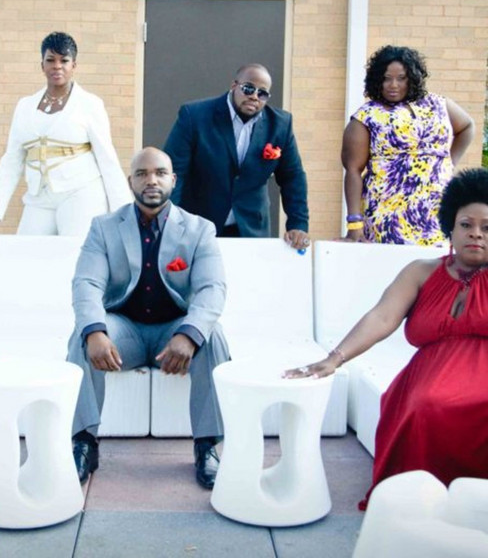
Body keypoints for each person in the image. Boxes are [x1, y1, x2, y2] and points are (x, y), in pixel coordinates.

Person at [285, 168, 488, 509]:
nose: (476, 234)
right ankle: (415, 504)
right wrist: (334, 359)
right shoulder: (421, 271)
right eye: (466, 224)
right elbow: (382, 317)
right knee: (426, 405)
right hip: (430, 375)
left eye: (487, 227)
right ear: (450, 228)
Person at [67, 147, 230, 488]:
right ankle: (83, 443)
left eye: (159, 173)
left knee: (212, 335)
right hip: (123, 332)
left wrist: (189, 335)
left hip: (174, 332)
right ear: (131, 182)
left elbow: (212, 288)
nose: (151, 180)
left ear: (173, 180)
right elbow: (87, 283)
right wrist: (95, 331)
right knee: (82, 335)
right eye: (142, 174)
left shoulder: (199, 229)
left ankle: (207, 446)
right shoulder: (104, 227)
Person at [0, 32, 130, 237]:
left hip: (80, 192)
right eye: (50, 60)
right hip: (39, 197)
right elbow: (12, 160)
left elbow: (107, 159)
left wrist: (124, 213)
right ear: (42, 65)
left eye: (64, 60)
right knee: (27, 250)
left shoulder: (90, 104)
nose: (57, 66)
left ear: (74, 65)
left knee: (75, 252)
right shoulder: (25, 106)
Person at [164, 63, 310, 249]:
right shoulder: (194, 116)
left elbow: (292, 177)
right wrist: (170, 222)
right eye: (248, 88)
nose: (254, 96)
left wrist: (298, 224)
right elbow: (173, 172)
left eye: (262, 93)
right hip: (199, 225)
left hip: (251, 229)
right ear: (234, 85)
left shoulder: (280, 125)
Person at [342, 45, 475, 245]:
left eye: (401, 78)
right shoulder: (367, 115)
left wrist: (449, 162)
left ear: (412, 78)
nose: (393, 85)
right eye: (386, 78)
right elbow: (353, 170)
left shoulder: (438, 104)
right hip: (387, 215)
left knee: (437, 263)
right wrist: (354, 225)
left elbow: (466, 127)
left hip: (435, 212)